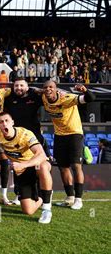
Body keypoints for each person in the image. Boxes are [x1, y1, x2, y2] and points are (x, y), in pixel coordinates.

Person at [0, 112, 53, 224]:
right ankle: (43, 195)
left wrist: (23, 164)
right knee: (28, 210)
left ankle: (46, 209)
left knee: (43, 166)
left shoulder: (25, 134)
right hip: (22, 172)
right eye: (1, 122)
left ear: (12, 122)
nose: (4, 124)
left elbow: (42, 155)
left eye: (7, 121)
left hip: (35, 164)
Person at [42, 81, 95, 210]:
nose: (48, 89)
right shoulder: (44, 97)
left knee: (76, 166)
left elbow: (90, 98)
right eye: (45, 87)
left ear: (56, 89)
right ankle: (70, 197)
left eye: (51, 87)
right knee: (62, 167)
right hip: (59, 136)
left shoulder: (67, 98)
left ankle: (78, 199)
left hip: (74, 134)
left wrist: (84, 90)